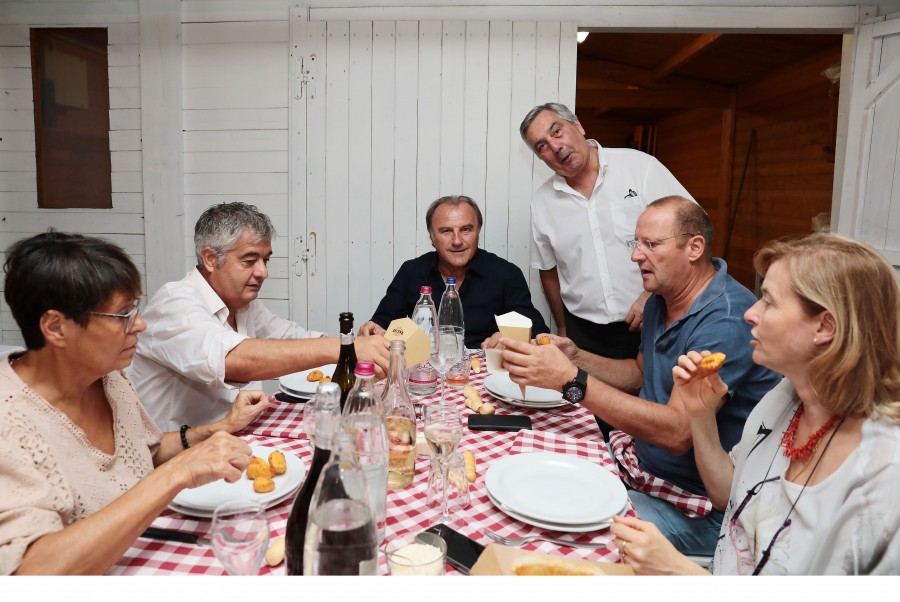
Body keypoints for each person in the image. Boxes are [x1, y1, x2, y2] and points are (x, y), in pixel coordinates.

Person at [499, 196, 781, 556]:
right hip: (640, 466)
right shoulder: (663, 298)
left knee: (560, 536)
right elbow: (638, 374)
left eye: (651, 244)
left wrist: (571, 381)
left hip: (697, 505)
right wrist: (576, 357)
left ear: (694, 248)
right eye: (636, 243)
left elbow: (678, 433)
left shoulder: (725, 319)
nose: (635, 255)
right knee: (533, 474)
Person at [610, 233, 900, 575]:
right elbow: (727, 493)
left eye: (769, 302)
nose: (749, 313)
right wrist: (701, 414)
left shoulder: (883, 478)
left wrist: (681, 574)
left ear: (825, 326)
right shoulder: (783, 398)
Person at [0, 231, 266, 575]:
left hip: (143, 552)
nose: (140, 324)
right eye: (122, 314)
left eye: (134, 308)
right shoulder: (9, 421)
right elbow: (29, 572)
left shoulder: (107, 375)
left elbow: (144, 452)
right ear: (56, 327)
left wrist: (218, 428)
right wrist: (177, 473)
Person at [132, 202, 389, 431]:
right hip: (179, 455)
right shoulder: (174, 302)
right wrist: (347, 347)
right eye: (249, 261)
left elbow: (294, 339)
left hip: (235, 439)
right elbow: (234, 359)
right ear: (210, 259)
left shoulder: (244, 305)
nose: (263, 272)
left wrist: (359, 348)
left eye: (265, 260)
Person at [520, 102, 694, 359]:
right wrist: (563, 326)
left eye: (556, 131)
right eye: (542, 146)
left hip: (655, 318)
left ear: (578, 124)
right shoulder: (542, 202)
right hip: (584, 334)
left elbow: (692, 227)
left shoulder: (639, 167)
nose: (555, 147)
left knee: (657, 385)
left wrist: (652, 294)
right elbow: (548, 270)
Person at [359, 195, 549, 348]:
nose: (457, 241)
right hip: (427, 369)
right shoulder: (411, 272)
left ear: (478, 233)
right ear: (432, 237)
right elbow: (382, 324)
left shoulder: (506, 274)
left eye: (466, 229)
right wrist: (374, 330)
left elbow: (538, 333)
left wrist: (508, 337)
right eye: (446, 231)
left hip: (487, 373)